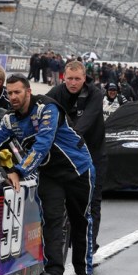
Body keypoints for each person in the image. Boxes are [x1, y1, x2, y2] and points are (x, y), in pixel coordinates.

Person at [0, 75, 95, 275]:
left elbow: (43, 144)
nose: (13, 97)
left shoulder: (47, 108)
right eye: (9, 93)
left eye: (17, 92)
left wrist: (19, 170)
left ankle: (84, 270)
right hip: (49, 174)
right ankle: (54, 272)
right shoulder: (10, 120)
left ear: (28, 91)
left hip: (78, 169)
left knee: (79, 219)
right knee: (52, 220)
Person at [46, 61, 105, 253]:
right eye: (69, 78)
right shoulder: (56, 92)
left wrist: (72, 136)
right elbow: (38, 108)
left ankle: (89, 244)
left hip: (92, 151)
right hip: (67, 153)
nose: (73, 83)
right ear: (64, 77)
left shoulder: (95, 94)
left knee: (91, 199)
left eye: (77, 79)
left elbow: (88, 118)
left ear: (84, 78)